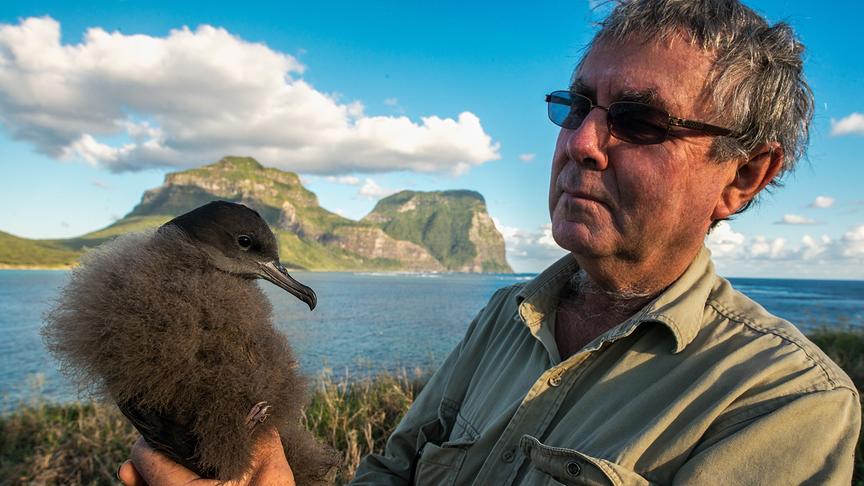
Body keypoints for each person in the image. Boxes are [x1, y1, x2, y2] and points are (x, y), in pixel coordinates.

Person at [120, 0, 860, 484]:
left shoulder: (789, 405)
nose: (582, 141)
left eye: (638, 121)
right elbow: (394, 472)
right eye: (575, 106)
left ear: (745, 177)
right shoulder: (506, 317)